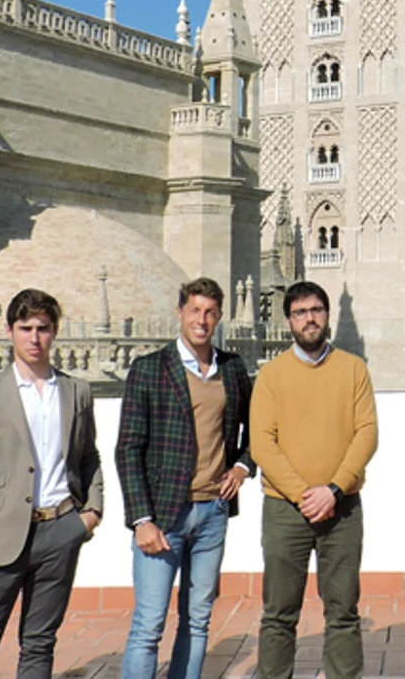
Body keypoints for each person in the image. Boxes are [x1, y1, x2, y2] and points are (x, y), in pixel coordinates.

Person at [0, 289, 105, 679]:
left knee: (39, 644)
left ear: (55, 331)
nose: (35, 338)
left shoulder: (76, 391)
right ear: (9, 330)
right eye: (25, 327)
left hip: (60, 531)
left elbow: (89, 456)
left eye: (43, 328)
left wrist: (91, 513)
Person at [117, 277, 256, 679]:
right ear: (180, 313)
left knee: (197, 621)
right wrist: (141, 519)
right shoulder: (150, 369)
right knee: (149, 624)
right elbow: (128, 448)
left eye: (210, 312)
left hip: (212, 512)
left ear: (219, 317)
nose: (202, 319)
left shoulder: (232, 369)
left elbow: (257, 428)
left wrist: (243, 466)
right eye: (194, 310)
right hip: (163, 516)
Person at [250, 280, 379, 679]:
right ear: (288, 320)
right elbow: (262, 445)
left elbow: (367, 434)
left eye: (316, 310)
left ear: (327, 315)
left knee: (342, 611)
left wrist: (334, 489)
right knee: (278, 614)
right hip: (285, 511)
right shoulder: (271, 375)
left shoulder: (354, 369)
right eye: (301, 312)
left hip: (342, 509)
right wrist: (306, 495)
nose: (310, 319)